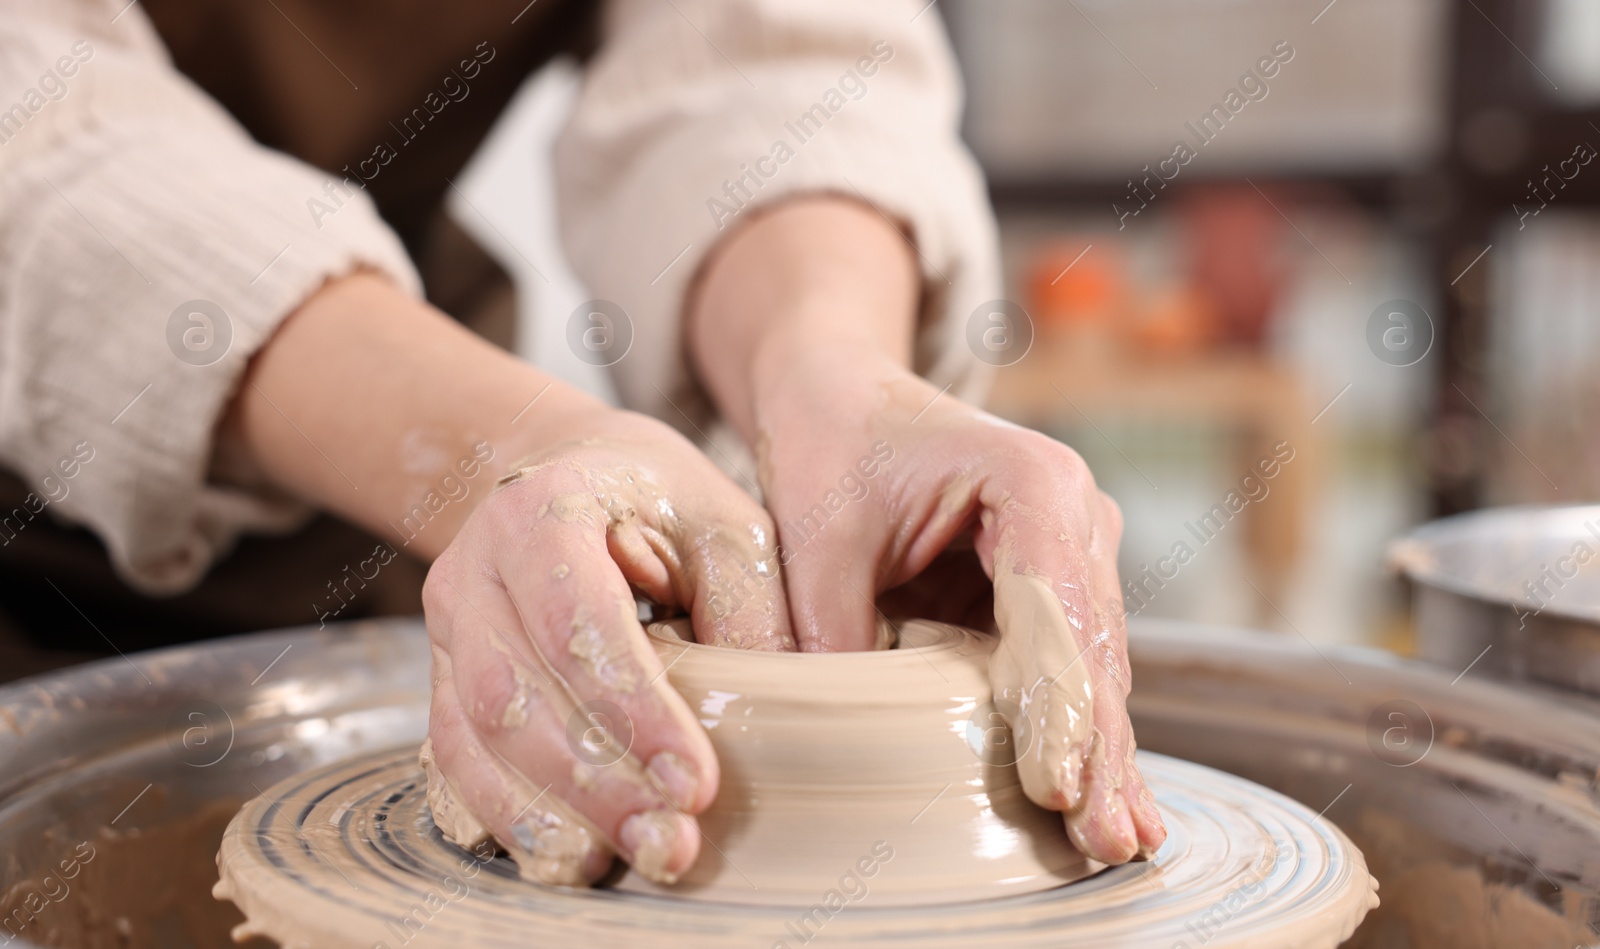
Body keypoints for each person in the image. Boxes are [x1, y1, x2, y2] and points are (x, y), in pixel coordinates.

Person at [0, 0, 1163, 883]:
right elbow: (33, 127)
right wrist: (500, 440)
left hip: (373, 518)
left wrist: (828, 363)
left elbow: (758, 56)